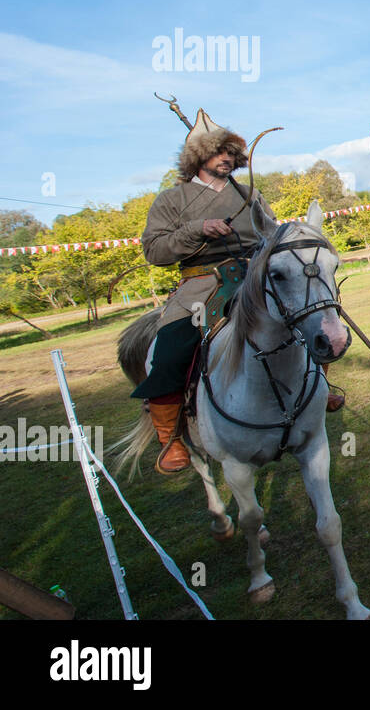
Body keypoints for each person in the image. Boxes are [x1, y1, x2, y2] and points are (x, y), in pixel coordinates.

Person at [132, 111, 344, 473]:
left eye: (231, 152)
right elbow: (154, 251)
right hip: (200, 285)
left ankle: (317, 388)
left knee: (309, 312)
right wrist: (197, 229)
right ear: (199, 158)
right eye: (219, 152)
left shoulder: (249, 195)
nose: (227, 158)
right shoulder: (170, 200)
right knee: (171, 347)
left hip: (253, 278)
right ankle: (170, 437)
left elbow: (273, 237)